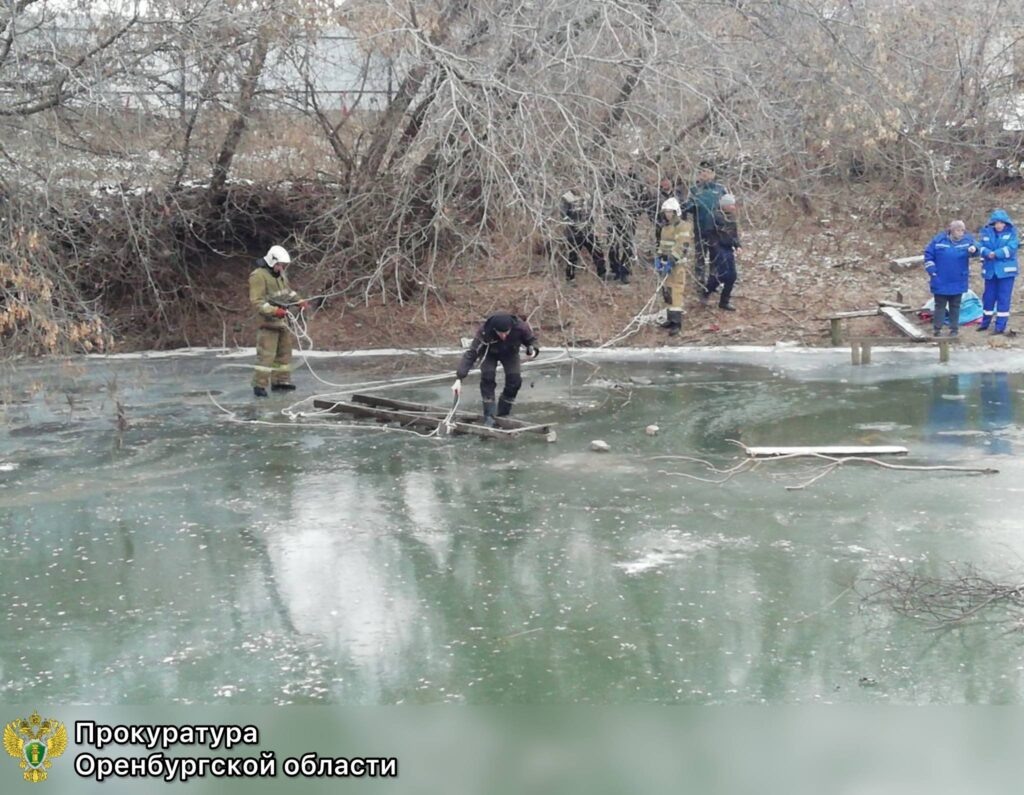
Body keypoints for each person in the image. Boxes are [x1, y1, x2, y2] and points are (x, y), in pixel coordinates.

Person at [453, 312, 539, 426]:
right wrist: (459, 378)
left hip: (510, 353)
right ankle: (489, 415)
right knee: (487, 378)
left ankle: (503, 413)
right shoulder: (484, 331)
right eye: (500, 333)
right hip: (489, 354)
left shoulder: (521, 327)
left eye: (506, 332)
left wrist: (533, 350)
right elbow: (472, 353)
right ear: (494, 329)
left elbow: (532, 341)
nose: (503, 336)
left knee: (515, 381)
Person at [249, 245, 308, 397]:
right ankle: (259, 386)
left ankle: (280, 381)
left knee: (284, 354)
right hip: (267, 322)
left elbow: (287, 292)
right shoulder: (258, 276)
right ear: (272, 261)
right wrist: (274, 311)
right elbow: (257, 302)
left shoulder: (279, 274)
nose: (282, 268)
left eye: (283, 265)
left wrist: (298, 301)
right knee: (266, 355)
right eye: (280, 265)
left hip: (282, 322)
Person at [923, 219, 977, 337]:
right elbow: (928, 255)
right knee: (940, 305)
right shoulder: (938, 240)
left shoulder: (968, 241)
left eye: (962, 230)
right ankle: (937, 329)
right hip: (941, 279)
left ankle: (954, 329)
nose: (961, 233)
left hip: (958, 279)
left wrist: (974, 249)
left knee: (955, 306)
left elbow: (976, 250)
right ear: (951, 230)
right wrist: (932, 271)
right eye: (958, 230)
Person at [682, 161, 727, 292]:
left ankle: (713, 282)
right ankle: (699, 281)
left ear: (713, 174)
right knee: (700, 256)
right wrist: (689, 205)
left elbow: (728, 208)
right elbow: (687, 207)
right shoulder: (694, 190)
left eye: (707, 172)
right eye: (702, 172)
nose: (704, 174)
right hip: (700, 229)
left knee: (715, 256)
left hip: (716, 230)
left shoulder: (720, 189)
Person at [654, 197, 693, 337]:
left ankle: (677, 322)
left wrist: (672, 260)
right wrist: (658, 259)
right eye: (666, 212)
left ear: (676, 212)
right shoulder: (665, 228)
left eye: (670, 212)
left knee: (676, 291)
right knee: (667, 292)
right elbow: (662, 245)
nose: (668, 215)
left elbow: (682, 245)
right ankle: (670, 318)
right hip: (666, 264)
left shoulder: (683, 226)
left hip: (677, 265)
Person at [976, 209, 1019, 334]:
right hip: (990, 271)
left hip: (1006, 273)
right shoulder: (986, 233)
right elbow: (981, 246)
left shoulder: (1012, 234)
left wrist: (996, 254)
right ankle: (985, 323)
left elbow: (1011, 248)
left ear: (1005, 223)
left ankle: (1000, 327)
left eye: (1001, 223)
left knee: (1003, 298)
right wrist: (986, 252)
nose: (998, 225)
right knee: (988, 297)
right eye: (996, 223)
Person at [605, 170, 648, 285]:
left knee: (627, 247)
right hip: (614, 219)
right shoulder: (611, 178)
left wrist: (637, 212)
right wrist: (608, 213)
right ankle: (615, 270)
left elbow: (644, 198)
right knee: (613, 246)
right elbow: (603, 196)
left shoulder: (636, 180)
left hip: (630, 219)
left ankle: (625, 272)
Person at [701, 193, 742, 311]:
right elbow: (708, 233)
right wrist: (715, 247)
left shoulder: (731, 218)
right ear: (725, 205)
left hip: (728, 248)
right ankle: (706, 291)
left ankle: (724, 302)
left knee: (732, 276)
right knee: (722, 275)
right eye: (731, 205)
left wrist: (738, 246)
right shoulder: (713, 216)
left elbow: (734, 234)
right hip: (718, 249)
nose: (733, 207)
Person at [560, 189, 607, 281]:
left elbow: (591, 213)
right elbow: (563, 215)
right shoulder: (566, 198)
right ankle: (570, 277)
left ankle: (602, 274)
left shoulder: (587, 195)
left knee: (597, 251)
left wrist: (593, 227)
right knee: (572, 255)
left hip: (588, 231)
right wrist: (573, 225)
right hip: (574, 232)